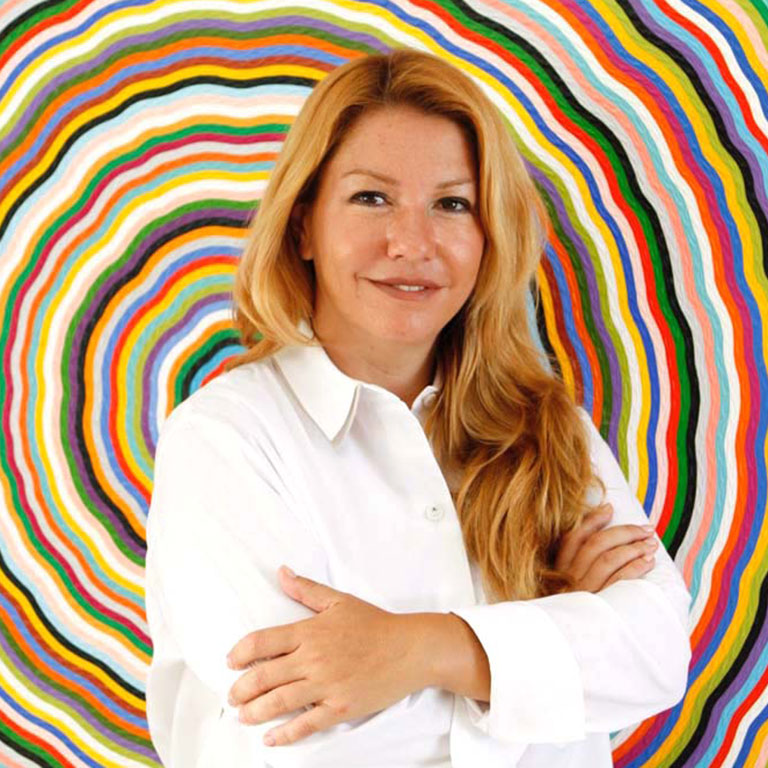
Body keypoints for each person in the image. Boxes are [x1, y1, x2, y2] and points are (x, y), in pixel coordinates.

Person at [143, 48, 692, 767]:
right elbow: (305, 739)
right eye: (371, 198)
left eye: (452, 204)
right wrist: (555, 649)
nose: (411, 243)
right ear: (304, 226)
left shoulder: (547, 424)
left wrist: (418, 650)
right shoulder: (225, 439)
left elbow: (656, 655)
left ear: (489, 236)